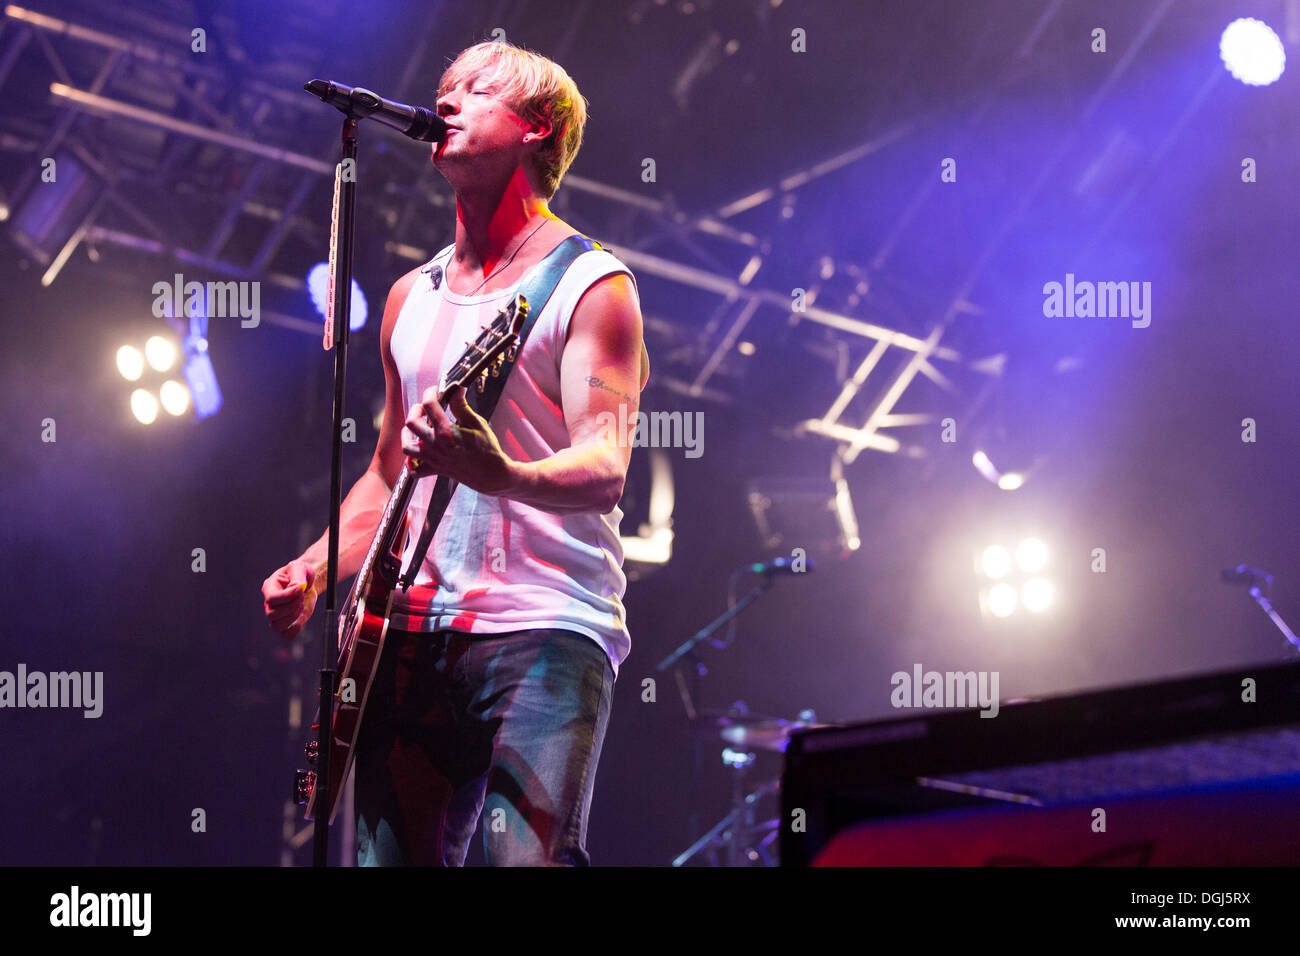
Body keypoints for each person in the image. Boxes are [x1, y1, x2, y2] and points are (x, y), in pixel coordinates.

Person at [261, 39, 647, 866]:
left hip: (545, 625)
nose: (447, 101)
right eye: (443, 89)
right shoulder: (411, 296)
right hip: (407, 633)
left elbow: (606, 467)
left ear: (539, 127)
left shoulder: (592, 285)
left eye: (477, 89)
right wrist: (317, 566)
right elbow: (386, 476)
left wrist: (497, 471)